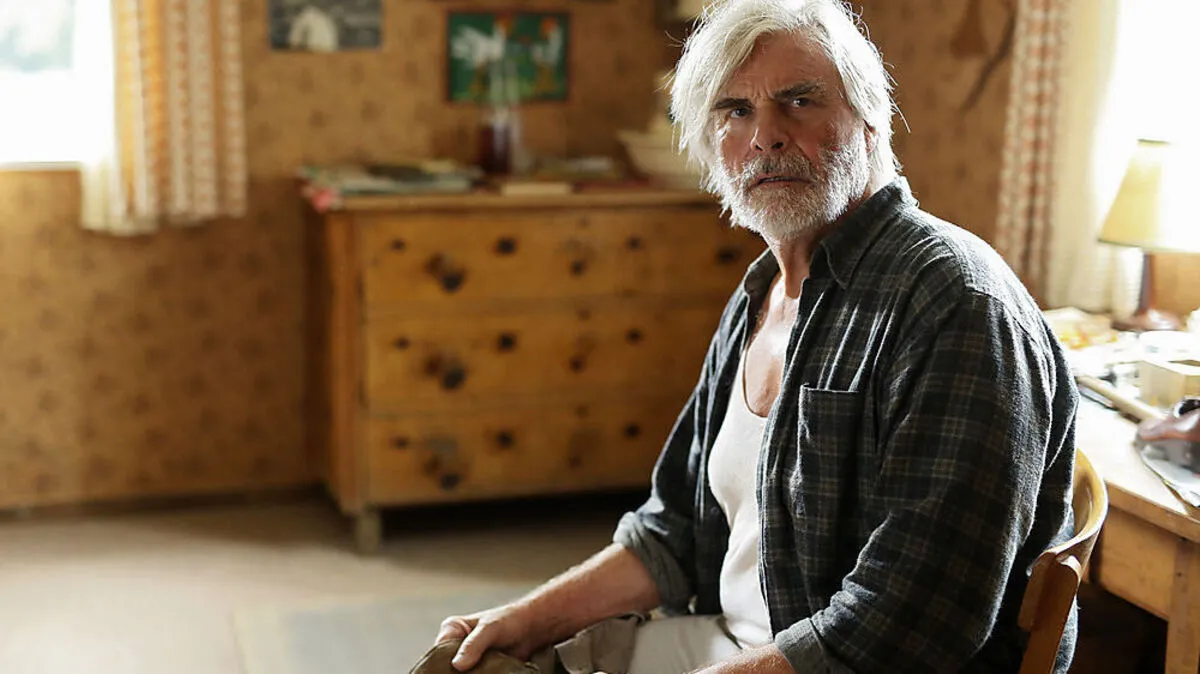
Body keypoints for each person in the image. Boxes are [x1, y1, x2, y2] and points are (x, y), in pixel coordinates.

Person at [434, 0, 1078, 672]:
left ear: (870, 120)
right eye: (736, 110)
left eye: (799, 101)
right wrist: (522, 620)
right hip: (733, 643)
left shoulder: (956, 304)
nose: (765, 136)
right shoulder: (763, 291)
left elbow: (910, 621)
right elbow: (674, 532)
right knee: (468, 660)